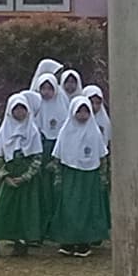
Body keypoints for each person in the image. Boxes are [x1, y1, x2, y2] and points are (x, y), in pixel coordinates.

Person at [0, 92, 55, 261]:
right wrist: (5, 176)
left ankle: (22, 242)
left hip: (26, 180)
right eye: (16, 109)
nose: (20, 113)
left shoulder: (32, 131)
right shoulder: (4, 131)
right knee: (3, 209)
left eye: (23, 109)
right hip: (9, 177)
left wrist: (26, 176)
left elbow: (37, 157)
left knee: (25, 211)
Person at [53, 86, 111, 257]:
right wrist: (58, 177)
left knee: (87, 208)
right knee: (70, 207)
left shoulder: (94, 133)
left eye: (86, 112)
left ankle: (85, 241)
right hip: (71, 176)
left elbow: (102, 156)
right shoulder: (65, 132)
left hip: (89, 177)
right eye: (79, 112)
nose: (83, 115)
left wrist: (103, 177)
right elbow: (58, 156)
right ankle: (69, 241)